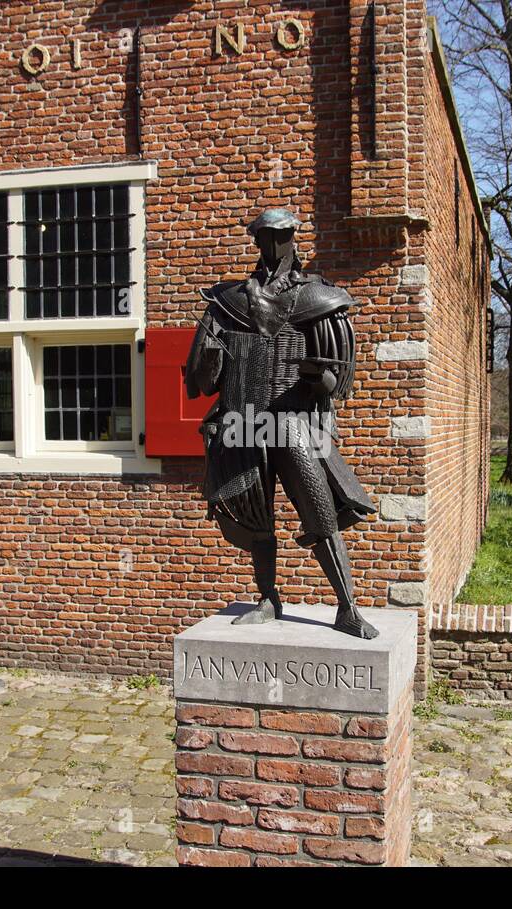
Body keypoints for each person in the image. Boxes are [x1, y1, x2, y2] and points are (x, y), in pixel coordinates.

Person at [184, 209, 379, 640]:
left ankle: (347, 607)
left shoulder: (319, 298)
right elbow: (202, 380)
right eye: (265, 236)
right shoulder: (228, 302)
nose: (272, 244)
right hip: (243, 417)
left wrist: (317, 375)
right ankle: (268, 597)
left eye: (281, 235)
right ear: (255, 240)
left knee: (319, 510)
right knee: (257, 516)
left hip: (293, 422)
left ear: (293, 237)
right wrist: (209, 360)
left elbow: (336, 380)